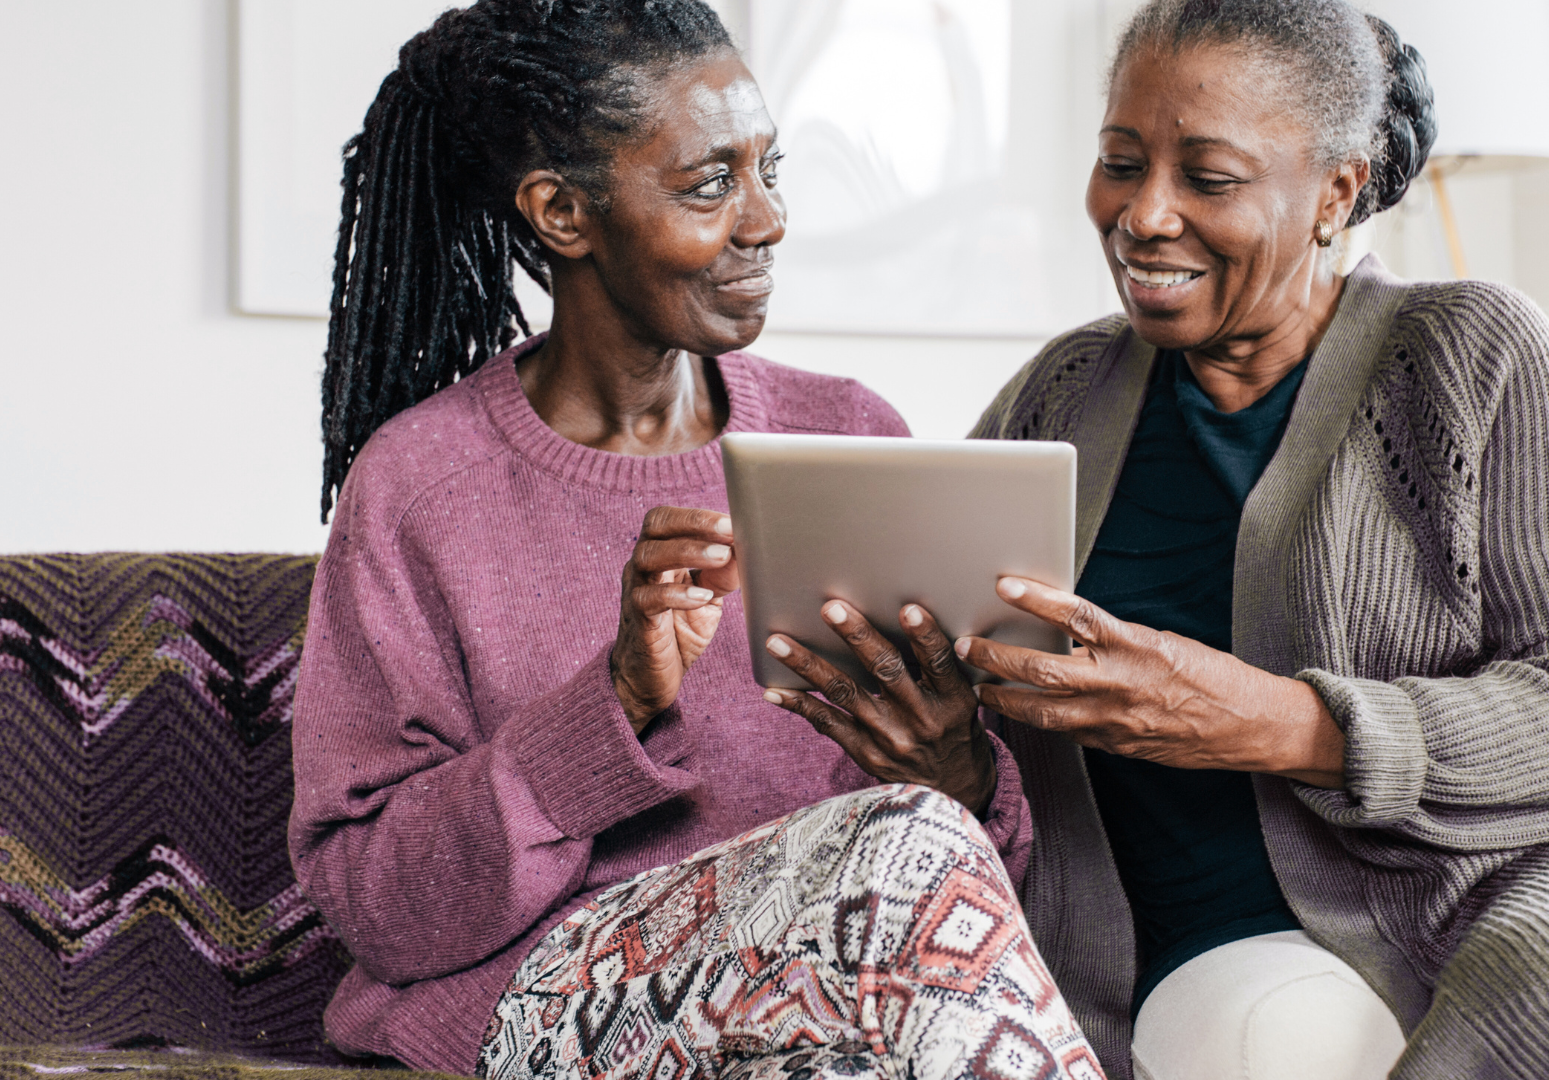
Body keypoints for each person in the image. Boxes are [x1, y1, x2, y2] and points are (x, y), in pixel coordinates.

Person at [762, 1, 1549, 1077]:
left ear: (1339, 189)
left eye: (1209, 179)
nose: (1143, 215)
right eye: (1120, 163)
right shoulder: (1058, 395)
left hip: (1540, 877)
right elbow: (989, 755)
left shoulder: (1469, 353)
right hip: (1192, 947)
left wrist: (1277, 723)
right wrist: (951, 764)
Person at [286, 4, 1103, 1079]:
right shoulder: (421, 486)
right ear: (564, 212)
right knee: (905, 845)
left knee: (896, 899)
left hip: (821, 999)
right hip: (540, 1001)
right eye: (711, 183)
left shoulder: (850, 434)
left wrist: (950, 768)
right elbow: (376, 907)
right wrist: (616, 699)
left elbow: (952, 900)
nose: (765, 220)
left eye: (772, 170)